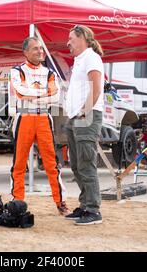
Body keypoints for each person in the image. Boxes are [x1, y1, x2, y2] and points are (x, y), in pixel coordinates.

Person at [9, 36, 70, 216]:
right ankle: (17, 201)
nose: (40, 51)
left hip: (44, 117)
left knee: (52, 163)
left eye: (41, 48)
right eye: (36, 48)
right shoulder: (17, 70)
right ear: (26, 52)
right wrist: (44, 93)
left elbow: (56, 97)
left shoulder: (49, 72)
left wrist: (32, 94)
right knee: (19, 164)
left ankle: (60, 202)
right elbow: (20, 92)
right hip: (24, 118)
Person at [64, 25, 104, 225]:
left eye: (71, 38)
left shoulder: (91, 57)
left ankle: (94, 210)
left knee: (86, 164)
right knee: (76, 165)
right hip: (75, 118)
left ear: (82, 38)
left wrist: (83, 112)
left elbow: (95, 88)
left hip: (86, 117)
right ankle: (85, 205)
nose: (68, 42)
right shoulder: (79, 61)